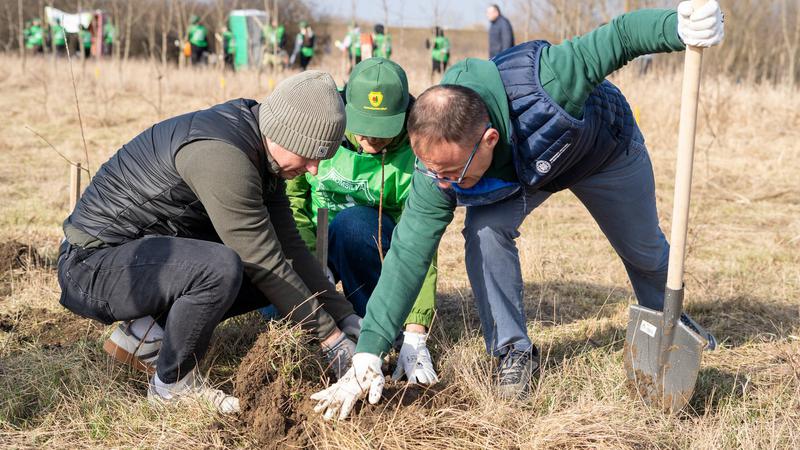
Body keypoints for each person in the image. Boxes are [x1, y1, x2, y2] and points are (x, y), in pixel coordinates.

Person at [311, 1, 725, 420]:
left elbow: (618, 38)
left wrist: (679, 25)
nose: (446, 185)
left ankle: (671, 324)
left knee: (645, 252)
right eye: (437, 173)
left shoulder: (549, 81)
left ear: (489, 139)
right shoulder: (439, 165)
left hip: (602, 153)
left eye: (453, 172)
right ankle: (513, 352)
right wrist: (370, 350)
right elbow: (407, 254)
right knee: (484, 232)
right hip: (522, 175)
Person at [57, 71, 362, 414]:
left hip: (141, 259)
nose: (314, 170)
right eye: (308, 156)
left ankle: (144, 336)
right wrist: (331, 339)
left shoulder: (262, 152)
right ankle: (172, 387)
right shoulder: (224, 156)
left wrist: (347, 318)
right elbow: (261, 259)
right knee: (223, 267)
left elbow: (290, 250)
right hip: (91, 267)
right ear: (283, 132)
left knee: (269, 266)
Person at [287, 58, 439, 385]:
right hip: (315, 246)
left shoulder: (417, 155)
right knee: (277, 312)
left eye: (383, 132)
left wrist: (416, 333)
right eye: (364, 129)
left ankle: (377, 323)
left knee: (352, 223)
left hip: (367, 245)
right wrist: (312, 266)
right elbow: (293, 198)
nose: (371, 141)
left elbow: (420, 241)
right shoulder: (321, 125)